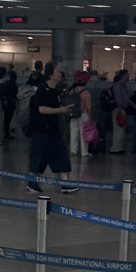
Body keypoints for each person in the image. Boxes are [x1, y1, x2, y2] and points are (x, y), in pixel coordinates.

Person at [26, 64, 78, 194]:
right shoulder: (42, 89)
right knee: (38, 155)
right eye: (57, 71)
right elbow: (41, 109)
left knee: (61, 154)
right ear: (50, 74)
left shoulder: (57, 91)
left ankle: (65, 183)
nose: (60, 74)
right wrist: (60, 110)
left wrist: (64, 109)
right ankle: (32, 182)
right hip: (41, 129)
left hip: (53, 129)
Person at [66, 70, 91, 159]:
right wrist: (90, 117)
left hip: (73, 113)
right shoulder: (86, 92)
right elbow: (88, 107)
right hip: (83, 114)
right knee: (83, 133)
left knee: (73, 132)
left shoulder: (72, 90)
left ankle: (73, 150)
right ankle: (84, 152)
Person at [0, 65, 18, 142]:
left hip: (1, 102)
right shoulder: (13, 85)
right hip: (10, 103)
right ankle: (6, 133)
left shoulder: (1, 84)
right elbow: (15, 94)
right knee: (7, 119)